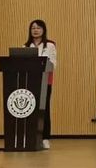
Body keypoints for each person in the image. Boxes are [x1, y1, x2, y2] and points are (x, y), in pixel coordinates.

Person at [24, 19, 56, 150]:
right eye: (33, 28)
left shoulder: (50, 45)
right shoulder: (26, 47)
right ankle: (30, 137)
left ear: (43, 30)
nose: (35, 30)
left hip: (45, 81)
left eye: (38, 28)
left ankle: (45, 138)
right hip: (30, 81)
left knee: (44, 109)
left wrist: (41, 63)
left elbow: (53, 64)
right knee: (30, 109)